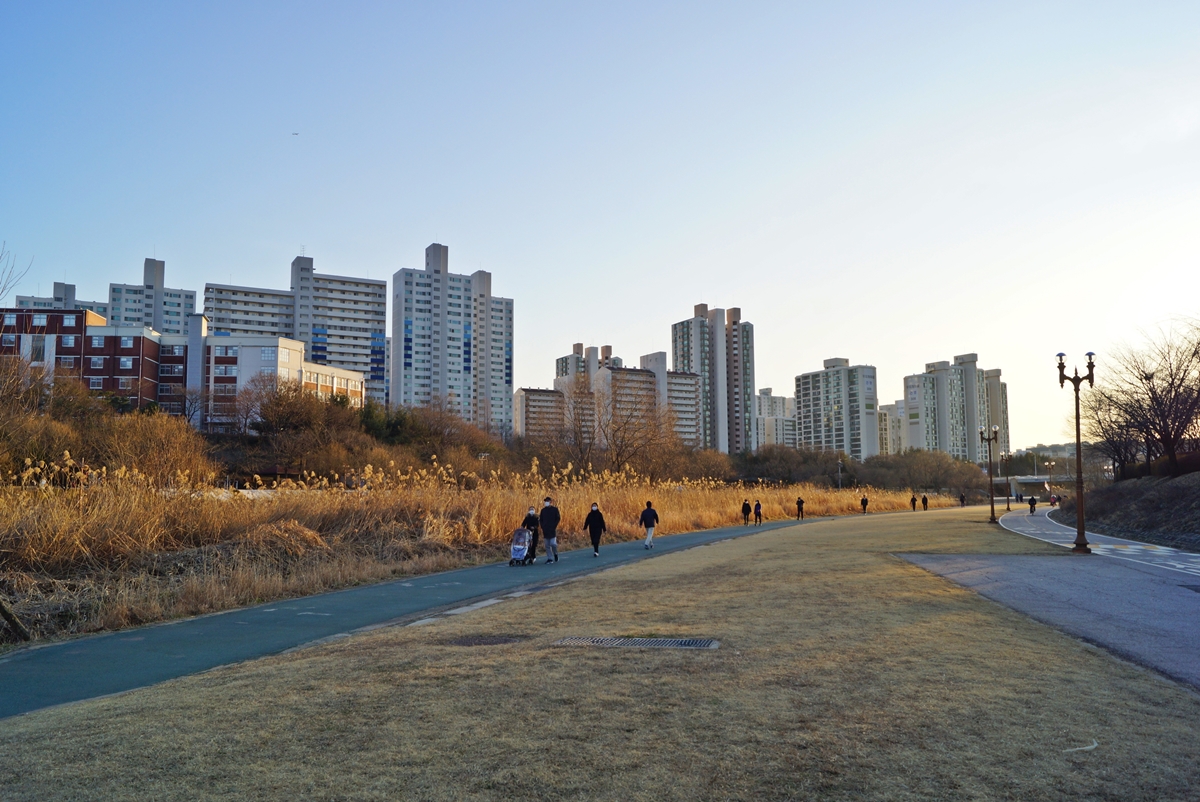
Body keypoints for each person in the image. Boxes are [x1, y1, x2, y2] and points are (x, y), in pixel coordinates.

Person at [539, 496, 561, 564]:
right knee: (547, 545)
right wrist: (542, 526)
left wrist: (554, 525)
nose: (546, 502)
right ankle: (550, 558)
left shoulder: (555, 509)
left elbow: (558, 518)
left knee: (553, 544)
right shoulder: (543, 510)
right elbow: (541, 519)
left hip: (552, 529)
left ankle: (555, 553)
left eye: (547, 501)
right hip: (545, 530)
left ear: (551, 502)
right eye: (545, 501)